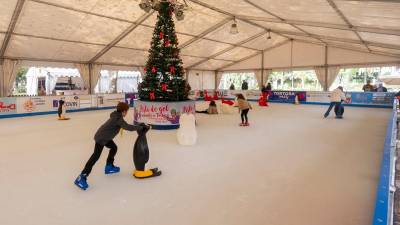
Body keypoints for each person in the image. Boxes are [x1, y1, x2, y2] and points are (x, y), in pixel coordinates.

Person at [74, 102, 144, 190]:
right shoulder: (118, 118)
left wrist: (138, 126)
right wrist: (140, 127)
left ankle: (109, 166)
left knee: (114, 148)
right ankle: (82, 176)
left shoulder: (116, 116)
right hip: (101, 138)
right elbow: (128, 127)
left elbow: (125, 126)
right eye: (126, 111)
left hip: (105, 137)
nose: (126, 113)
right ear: (123, 111)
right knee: (95, 156)